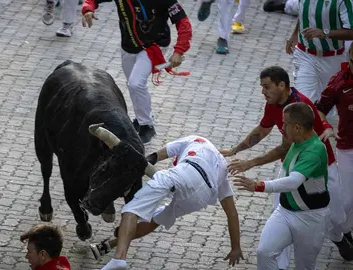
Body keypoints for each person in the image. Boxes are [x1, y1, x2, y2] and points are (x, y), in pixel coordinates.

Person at [220, 66, 351, 268]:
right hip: (291, 166)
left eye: (266, 87)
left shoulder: (299, 107)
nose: (263, 92)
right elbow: (262, 130)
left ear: (282, 86)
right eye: (262, 87)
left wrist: (250, 164)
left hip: (321, 168)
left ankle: (339, 236)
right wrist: (235, 149)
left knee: (337, 216)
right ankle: (280, 265)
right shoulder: (273, 103)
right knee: (281, 213)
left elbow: (284, 147)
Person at [89, 135, 243, 270]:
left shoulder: (193, 139)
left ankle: (119, 258)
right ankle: (109, 245)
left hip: (186, 172)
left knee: (133, 208)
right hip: (200, 197)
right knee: (156, 219)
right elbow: (232, 214)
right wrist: (236, 247)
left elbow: (153, 157)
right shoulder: (221, 168)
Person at [234, 102, 331, 269]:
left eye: (285, 124)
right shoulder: (296, 140)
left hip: (311, 218)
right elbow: (279, 153)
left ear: (298, 127)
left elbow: (294, 182)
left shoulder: (315, 150)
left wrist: (259, 185)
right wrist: (250, 163)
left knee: (304, 266)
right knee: (264, 252)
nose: (282, 127)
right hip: (285, 212)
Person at [81, 0, 193, 144]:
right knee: (132, 84)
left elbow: (183, 23)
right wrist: (88, 9)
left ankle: (147, 126)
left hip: (154, 46)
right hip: (128, 46)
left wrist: (179, 50)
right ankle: (141, 119)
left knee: (136, 84)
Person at [315, 44, 353, 261]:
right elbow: (320, 108)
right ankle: (342, 232)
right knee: (347, 199)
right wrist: (327, 126)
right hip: (348, 146)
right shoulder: (339, 81)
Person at [285, 0, 353, 108]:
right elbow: (303, 12)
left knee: (328, 109)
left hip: (333, 58)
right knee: (303, 103)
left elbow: (351, 32)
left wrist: (325, 33)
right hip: (305, 55)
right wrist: (294, 34)